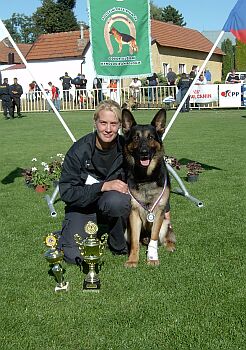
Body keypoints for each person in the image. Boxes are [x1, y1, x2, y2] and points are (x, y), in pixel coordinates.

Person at [58, 99, 131, 264]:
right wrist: (103, 186)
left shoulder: (127, 148)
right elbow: (67, 193)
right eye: (103, 123)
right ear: (95, 122)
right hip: (83, 206)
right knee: (75, 256)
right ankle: (66, 232)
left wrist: (166, 210)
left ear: (120, 125)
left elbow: (150, 174)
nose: (108, 129)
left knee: (116, 200)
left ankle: (118, 245)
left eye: (113, 124)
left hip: (112, 204)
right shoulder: (78, 150)